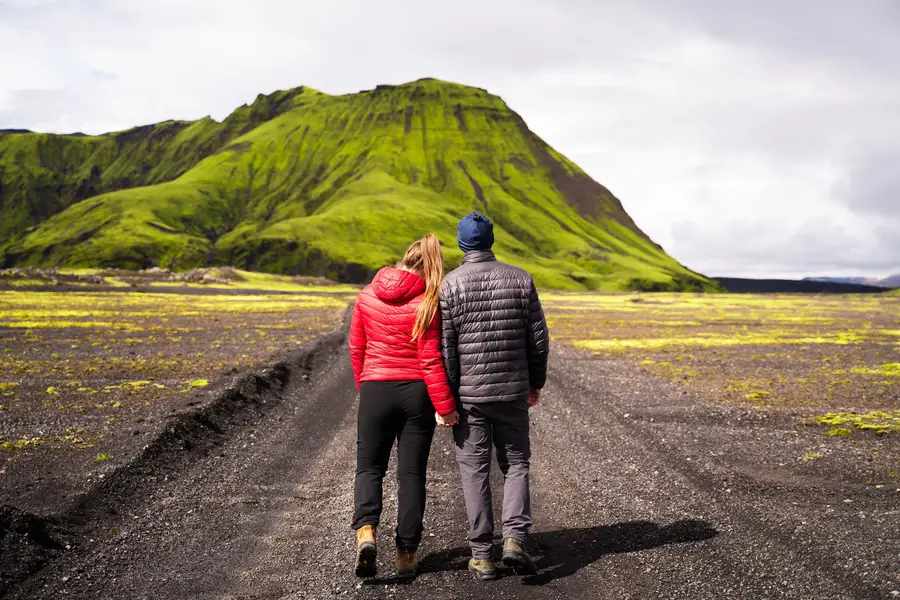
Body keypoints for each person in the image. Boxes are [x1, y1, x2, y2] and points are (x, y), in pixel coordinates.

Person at [438, 212, 550, 581]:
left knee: (475, 471)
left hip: (470, 397)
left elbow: (447, 349)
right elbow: (538, 339)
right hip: (513, 392)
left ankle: (483, 555)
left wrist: (450, 397)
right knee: (516, 464)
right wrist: (536, 382)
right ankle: (515, 539)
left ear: (461, 243)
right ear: (491, 241)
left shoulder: (449, 285)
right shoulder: (521, 278)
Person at [348, 233, 459, 580]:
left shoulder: (366, 295)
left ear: (401, 261)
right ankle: (406, 555)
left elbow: (357, 349)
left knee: (369, 468)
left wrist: (366, 387)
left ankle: (366, 532)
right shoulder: (427, 299)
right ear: (427, 269)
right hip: (416, 394)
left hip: (375, 389)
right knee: (411, 474)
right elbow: (430, 361)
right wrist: (446, 405)